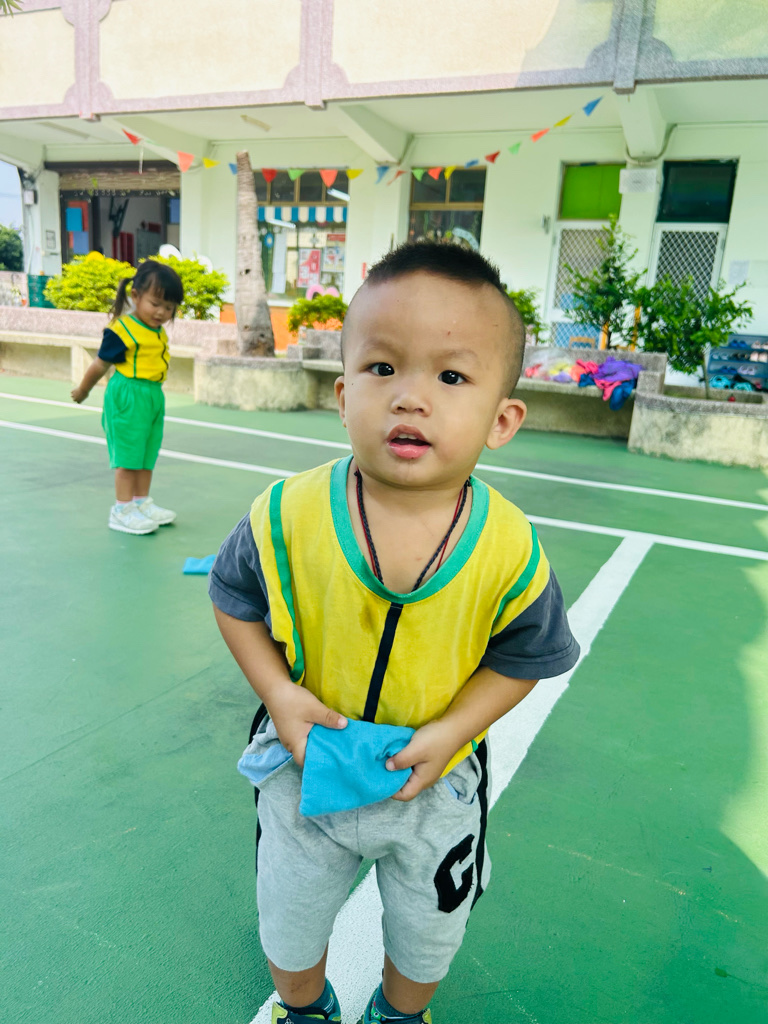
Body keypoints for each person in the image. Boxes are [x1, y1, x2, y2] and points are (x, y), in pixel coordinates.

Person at [209, 241, 580, 1024]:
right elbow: (233, 597)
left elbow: (528, 654)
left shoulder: (510, 547)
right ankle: (303, 1010)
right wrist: (278, 694)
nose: (410, 398)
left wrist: (453, 731)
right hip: (305, 762)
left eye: (451, 377)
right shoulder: (284, 516)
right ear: (343, 395)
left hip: (433, 779)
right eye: (383, 368)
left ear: (503, 418)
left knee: (427, 936)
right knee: (288, 921)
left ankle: (401, 1014)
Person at [71, 259, 184, 535]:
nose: (162, 312)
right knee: (128, 456)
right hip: (128, 395)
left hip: (153, 396)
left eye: (169, 307)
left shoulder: (157, 331)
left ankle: (141, 502)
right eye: (155, 304)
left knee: (146, 454)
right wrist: (83, 389)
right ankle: (121, 510)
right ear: (136, 295)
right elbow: (100, 364)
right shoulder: (122, 329)